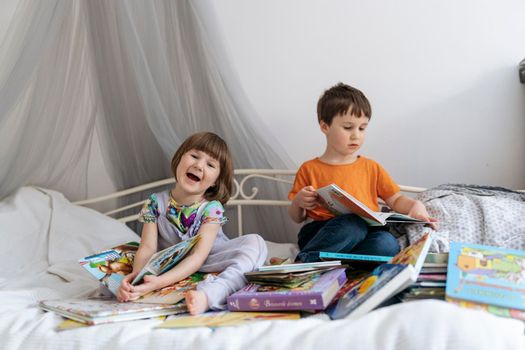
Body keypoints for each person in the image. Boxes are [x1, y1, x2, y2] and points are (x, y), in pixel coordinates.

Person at [117, 132, 267, 315]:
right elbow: (147, 247)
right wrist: (138, 280)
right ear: (179, 159)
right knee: (123, 261)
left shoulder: (212, 208)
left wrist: (160, 282)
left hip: (209, 260)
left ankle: (209, 295)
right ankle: (147, 289)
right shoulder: (154, 203)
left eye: (210, 165)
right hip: (171, 265)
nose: (198, 165)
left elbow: (199, 255)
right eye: (194, 156)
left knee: (255, 244)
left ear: (215, 182)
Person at [288, 83, 437, 263]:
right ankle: (304, 263)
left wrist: (415, 207)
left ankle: (336, 263)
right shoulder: (309, 168)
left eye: (362, 128)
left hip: (367, 231)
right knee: (352, 223)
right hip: (322, 233)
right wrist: (298, 202)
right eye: (348, 127)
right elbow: (297, 217)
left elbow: (395, 199)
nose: (356, 135)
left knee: (387, 245)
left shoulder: (371, 167)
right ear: (325, 127)